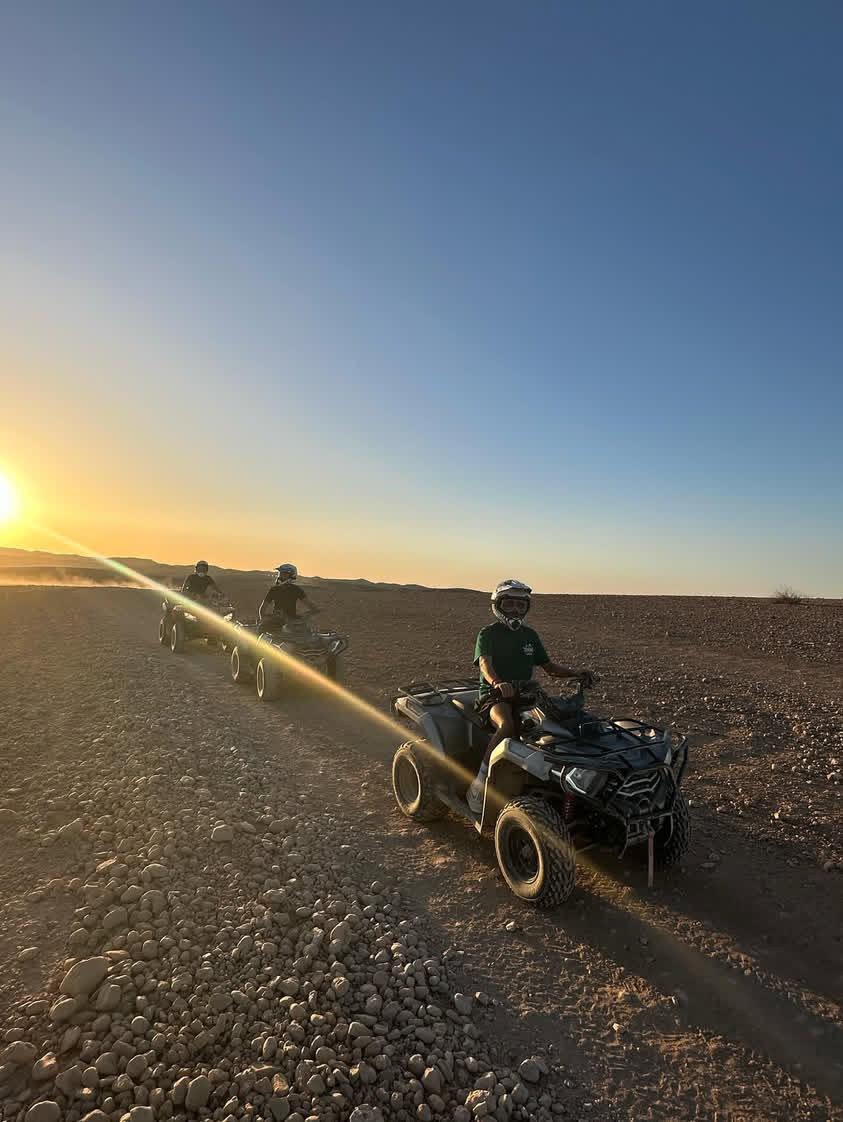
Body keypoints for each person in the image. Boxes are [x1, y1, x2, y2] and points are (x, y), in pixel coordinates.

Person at [466, 579, 597, 814]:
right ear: (498, 606)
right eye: (510, 605)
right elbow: (484, 664)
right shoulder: (488, 634)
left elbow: (549, 667)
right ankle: (480, 782)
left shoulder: (529, 635)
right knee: (507, 725)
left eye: (520, 605)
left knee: (557, 726)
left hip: (526, 695)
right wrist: (498, 683)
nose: (515, 610)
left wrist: (577, 674)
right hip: (495, 696)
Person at [257, 563, 318, 632]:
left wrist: (302, 617)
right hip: (280, 621)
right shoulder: (274, 589)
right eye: (280, 574)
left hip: (288, 623)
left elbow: (313, 607)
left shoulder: (296, 590)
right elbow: (263, 609)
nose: (280, 576)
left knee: (262, 631)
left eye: (284, 574)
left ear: (291, 576)